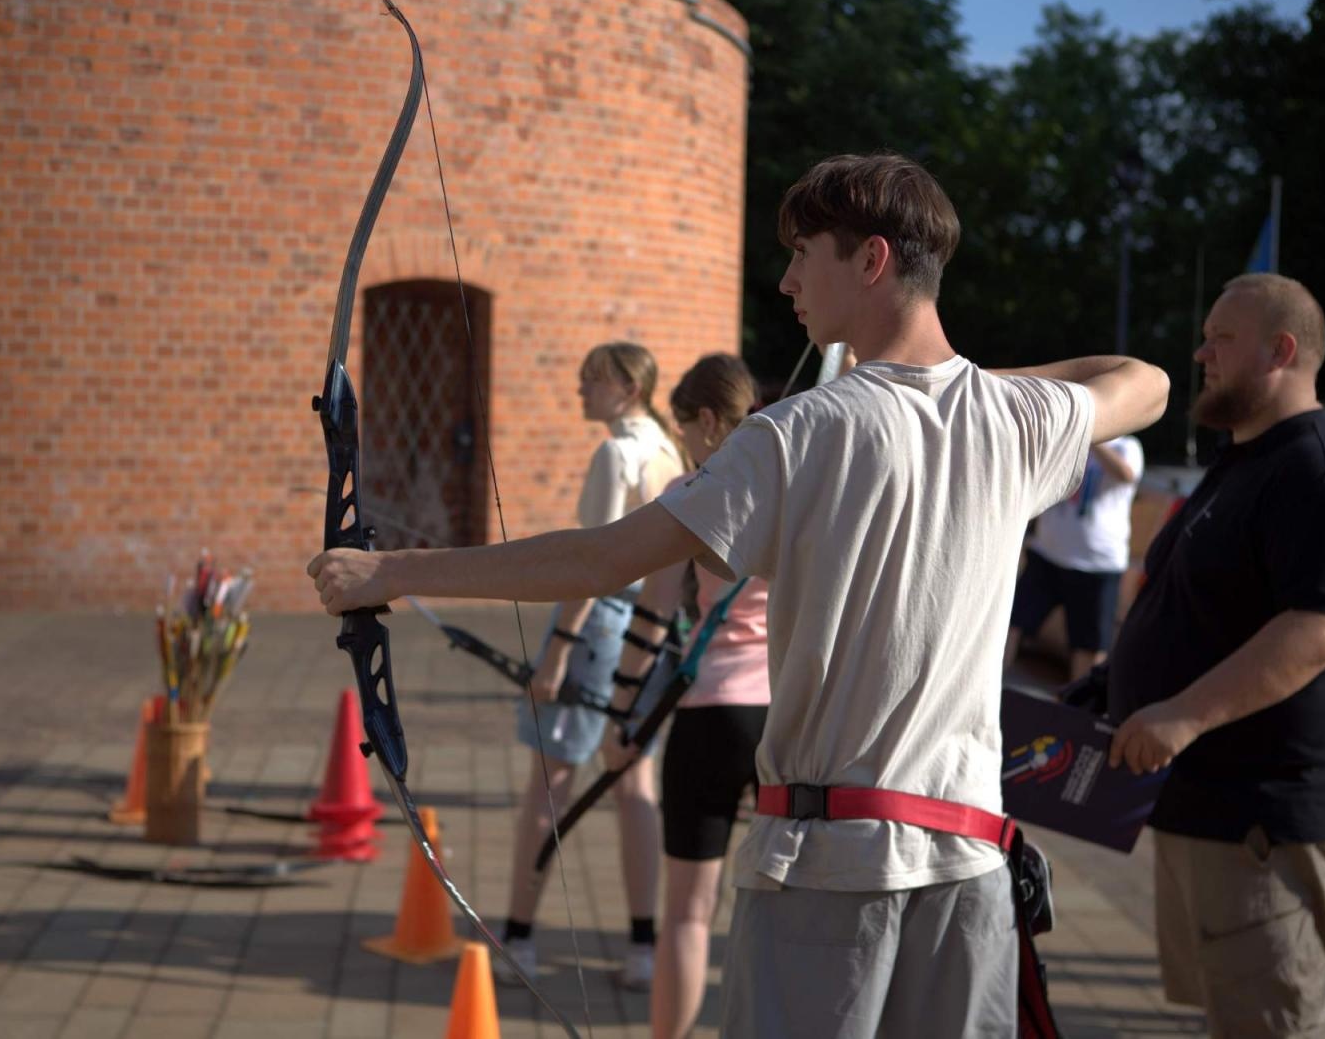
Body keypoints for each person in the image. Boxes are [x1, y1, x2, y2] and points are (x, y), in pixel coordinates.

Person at [310, 152, 1169, 1035]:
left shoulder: (792, 432)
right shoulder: (1012, 419)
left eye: (805, 253)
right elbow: (1145, 380)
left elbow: (598, 560)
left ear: (872, 261)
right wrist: (961, 393)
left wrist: (392, 572)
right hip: (970, 869)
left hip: (831, 872)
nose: (789, 279)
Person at [1106, 273, 1325, 1039]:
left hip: (1263, 824)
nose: (1200, 353)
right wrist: (1102, 689)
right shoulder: (1244, 458)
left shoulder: (1317, 470)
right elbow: (1194, 608)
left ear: (1281, 351)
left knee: (1275, 1025)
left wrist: (1182, 715)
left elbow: (1322, 627)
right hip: (1206, 813)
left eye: (1221, 338)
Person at [499, 341, 684, 989]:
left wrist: (554, 652)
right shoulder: (669, 449)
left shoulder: (619, 452)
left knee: (549, 784)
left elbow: (592, 564)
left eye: (593, 379)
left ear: (628, 388)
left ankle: (519, 938)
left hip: (600, 628)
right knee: (635, 783)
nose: (581, 389)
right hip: (652, 633)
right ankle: (642, 947)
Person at [611, 353, 771, 1038]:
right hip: (785, 720)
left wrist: (622, 715)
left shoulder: (690, 491)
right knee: (777, 910)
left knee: (687, 912)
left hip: (709, 713)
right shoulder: (796, 485)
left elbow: (648, 618)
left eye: (684, 432)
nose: (682, 446)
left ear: (708, 422)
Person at [1004, 433, 1145, 681]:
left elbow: (1127, 475)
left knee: (1088, 647)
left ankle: (1076, 713)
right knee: (1009, 624)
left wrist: (1093, 436)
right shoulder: (1070, 437)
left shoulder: (1127, 446)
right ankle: (985, 691)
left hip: (1096, 565)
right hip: (1047, 554)